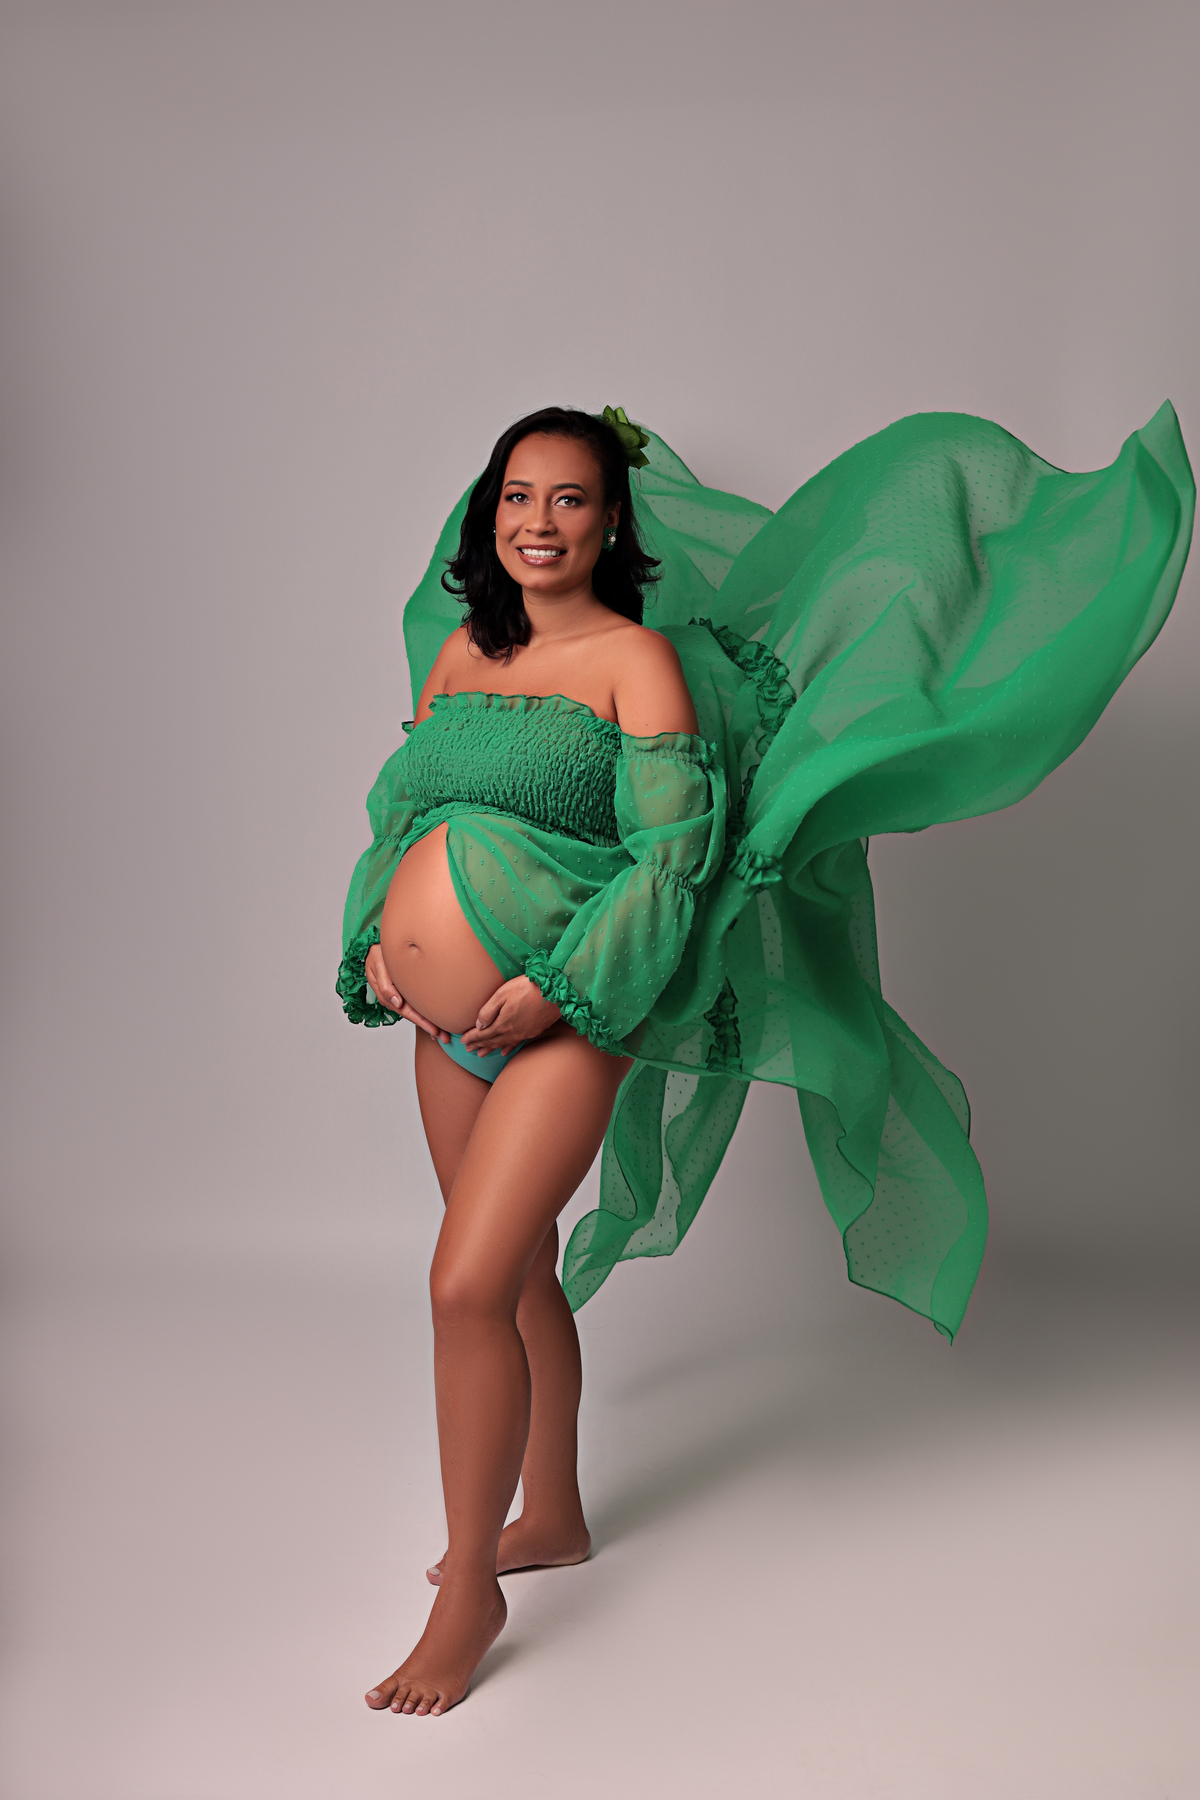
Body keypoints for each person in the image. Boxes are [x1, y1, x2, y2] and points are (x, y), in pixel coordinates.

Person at [338, 402, 1193, 1716]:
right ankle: (551, 1508)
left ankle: (469, 1598)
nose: (539, 522)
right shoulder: (461, 655)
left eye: (570, 499)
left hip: (565, 1013)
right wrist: (377, 947)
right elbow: (405, 819)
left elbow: (669, 862)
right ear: (488, 513)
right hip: (440, 1025)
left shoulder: (634, 663)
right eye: (518, 496)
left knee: (463, 1283)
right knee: (507, 1272)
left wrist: (554, 986)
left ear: (611, 523)